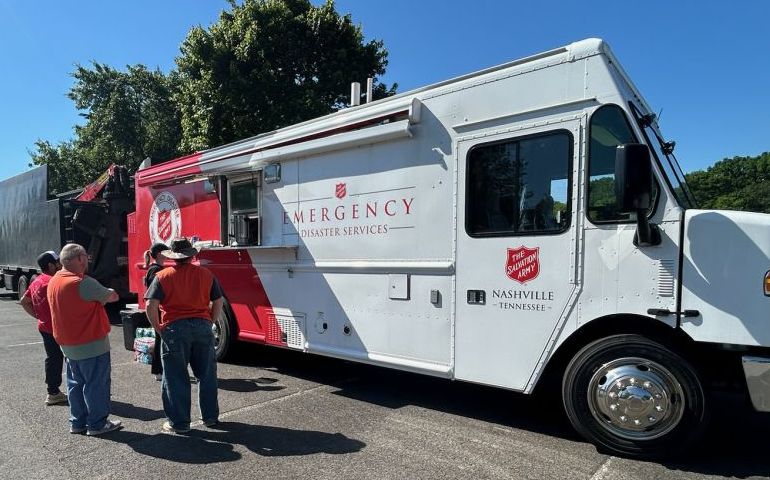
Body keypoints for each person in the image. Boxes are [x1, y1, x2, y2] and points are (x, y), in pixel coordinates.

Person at [145, 237, 223, 434]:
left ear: (173, 257)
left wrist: (158, 327)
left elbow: (150, 305)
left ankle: (179, 423)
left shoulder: (162, 276)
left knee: (175, 376)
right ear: (191, 255)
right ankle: (210, 417)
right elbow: (218, 301)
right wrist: (210, 321)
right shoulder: (206, 274)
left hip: (174, 328)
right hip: (202, 326)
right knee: (206, 375)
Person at [47, 243, 122, 436]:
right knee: (96, 385)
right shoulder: (82, 282)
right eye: (85, 257)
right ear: (79, 259)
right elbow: (112, 296)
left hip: (68, 344)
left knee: (75, 384)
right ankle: (97, 424)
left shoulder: (55, 280)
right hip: (91, 344)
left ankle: (77, 422)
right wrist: (109, 288)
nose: (87, 261)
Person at [19, 251, 67, 406]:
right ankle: (78, 390)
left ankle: (53, 391)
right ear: (50, 265)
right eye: (57, 262)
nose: (60, 265)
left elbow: (24, 300)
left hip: (44, 327)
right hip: (59, 328)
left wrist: (39, 316)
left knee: (53, 358)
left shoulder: (37, 281)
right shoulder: (52, 282)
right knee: (71, 358)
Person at [143, 242, 168, 381]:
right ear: (159, 254)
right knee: (160, 339)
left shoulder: (155, 268)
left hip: (157, 307)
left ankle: (159, 369)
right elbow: (156, 290)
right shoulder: (155, 270)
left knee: (160, 338)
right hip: (157, 307)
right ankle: (158, 369)